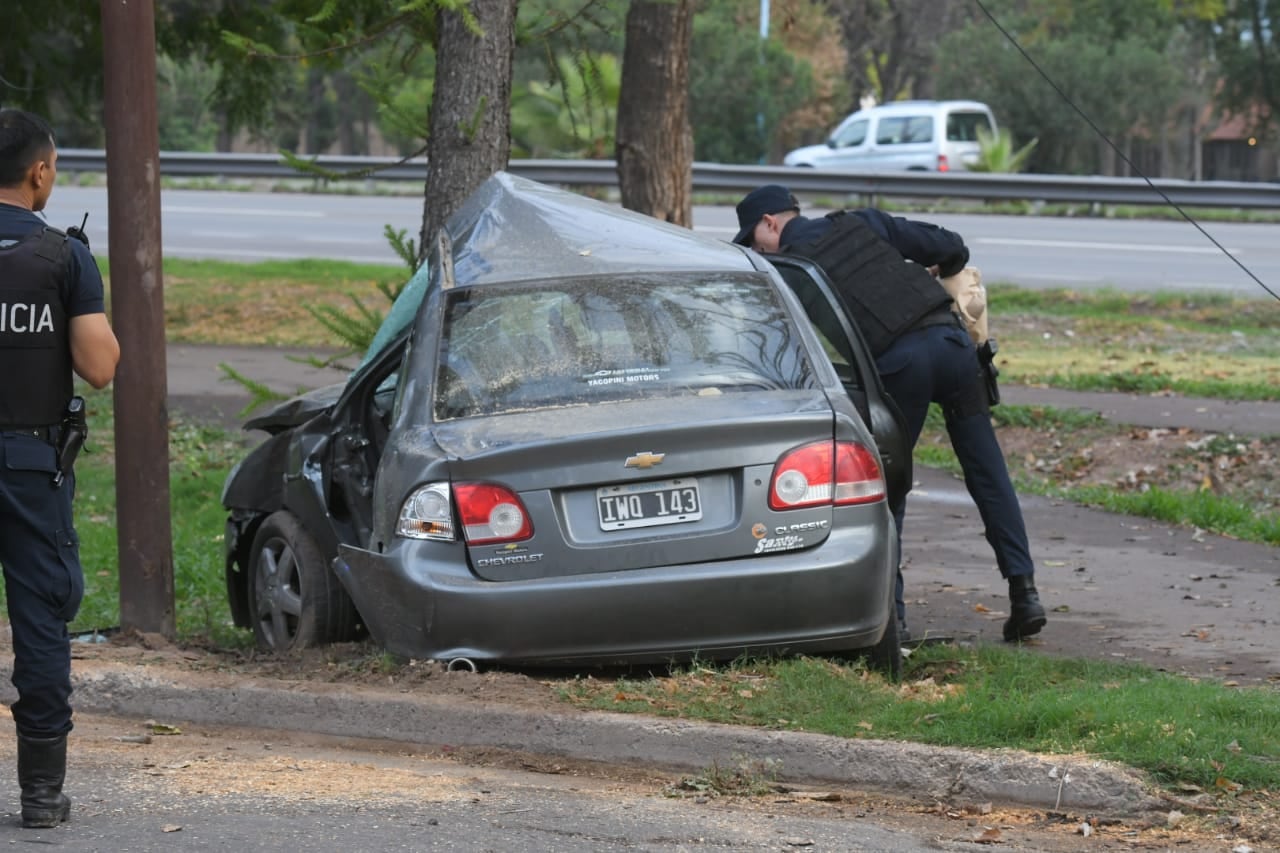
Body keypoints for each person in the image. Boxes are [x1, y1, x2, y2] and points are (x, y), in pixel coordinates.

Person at [733, 184, 1045, 643]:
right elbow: (952, 247)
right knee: (988, 472)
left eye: (755, 239)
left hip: (903, 365)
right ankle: (1025, 594)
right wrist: (939, 270)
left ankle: (893, 621)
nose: (758, 251)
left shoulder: (790, 268)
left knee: (887, 488)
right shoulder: (860, 222)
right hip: (955, 345)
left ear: (771, 223)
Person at [0, 109, 119, 828]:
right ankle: (41, 795)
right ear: (39, 172)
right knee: (40, 620)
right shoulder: (62, 258)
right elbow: (100, 367)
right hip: (28, 465)